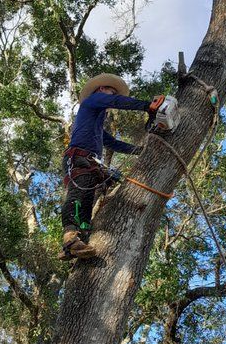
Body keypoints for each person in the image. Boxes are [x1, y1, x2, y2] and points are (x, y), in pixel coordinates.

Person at [61, 73, 159, 259]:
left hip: (89, 163)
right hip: (78, 158)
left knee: (86, 206)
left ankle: (80, 241)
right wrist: (147, 106)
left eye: (112, 92)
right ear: (100, 90)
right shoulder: (92, 101)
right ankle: (70, 238)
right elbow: (116, 101)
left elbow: (113, 143)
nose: (110, 95)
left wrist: (139, 150)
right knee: (77, 196)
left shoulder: (96, 124)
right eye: (109, 91)